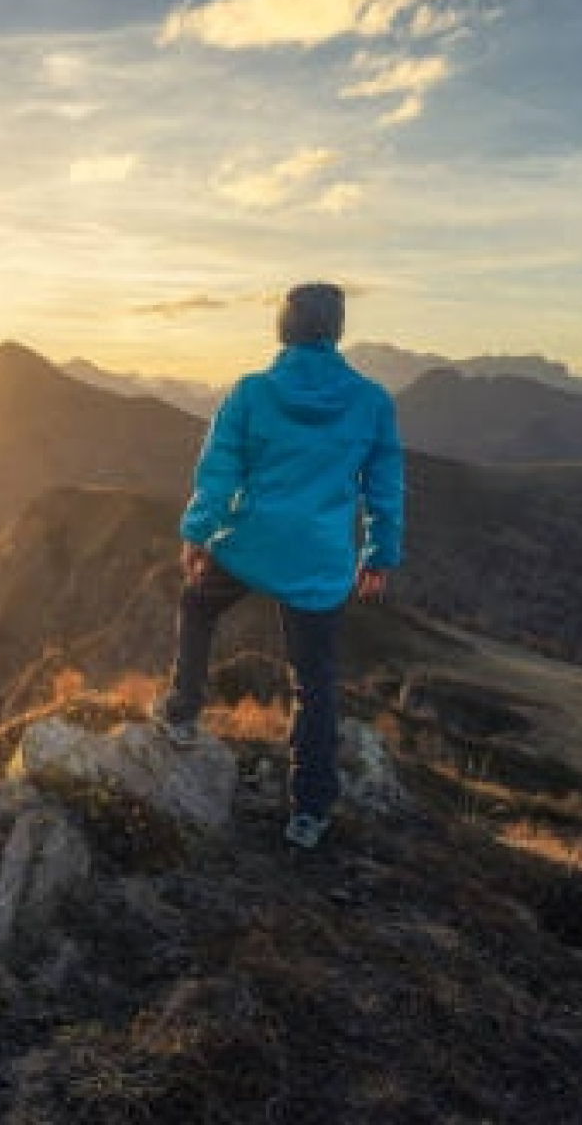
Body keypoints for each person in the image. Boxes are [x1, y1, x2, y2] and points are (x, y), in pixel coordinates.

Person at [150, 282, 404, 850]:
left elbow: (220, 471)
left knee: (196, 605)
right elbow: (384, 488)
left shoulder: (251, 392)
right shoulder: (371, 402)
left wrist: (197, 532)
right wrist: (379, 554)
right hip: (319, 558)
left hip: (251, 542)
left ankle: (182, 714)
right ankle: (310, 810)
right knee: (314, 681)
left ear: (284, 327)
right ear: (336, 330)